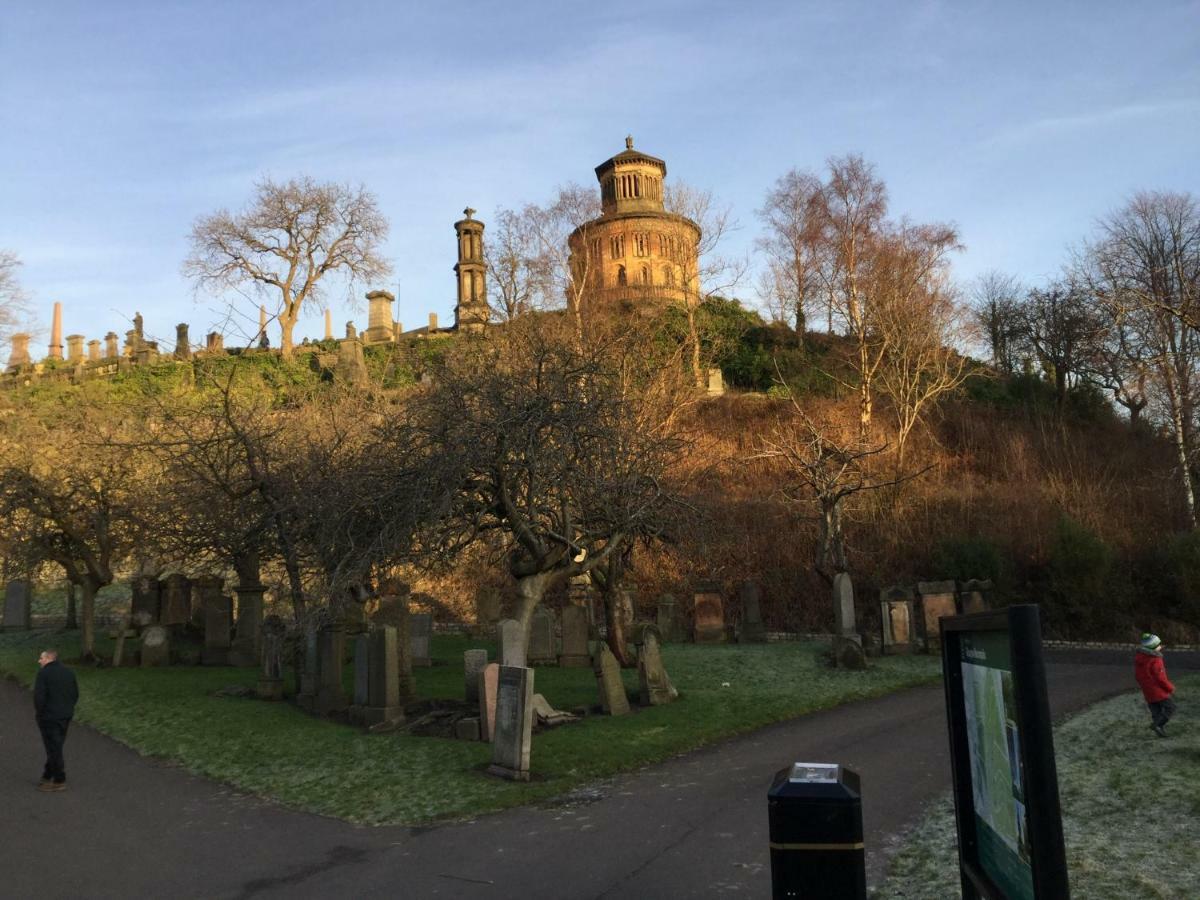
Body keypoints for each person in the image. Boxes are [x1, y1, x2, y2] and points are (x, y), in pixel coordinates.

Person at [33, 649, 79, 791]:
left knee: (53, 748)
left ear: (49, 658)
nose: (39, 661)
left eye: (41, 658)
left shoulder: (43, 674)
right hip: (65, 715)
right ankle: (47, 774)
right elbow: (75, 693)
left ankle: (59, 780)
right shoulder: (69, 672)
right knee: (56, 746)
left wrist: (40, 714)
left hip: (49, 717)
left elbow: (39, 697)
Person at [1134, 633, 1175, 738]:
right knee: (1170, 708)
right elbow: (1161, 678)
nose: (1160, 646)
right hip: (1158, 691)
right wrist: (1170, 688)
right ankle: (1157, 725)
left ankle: (1159, 730)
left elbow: (1137, 676)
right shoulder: (1156, 660)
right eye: (1158, 645)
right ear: (1153, 647)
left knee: (1156, 711)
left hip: (1147, 691)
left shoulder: (1140, 658)